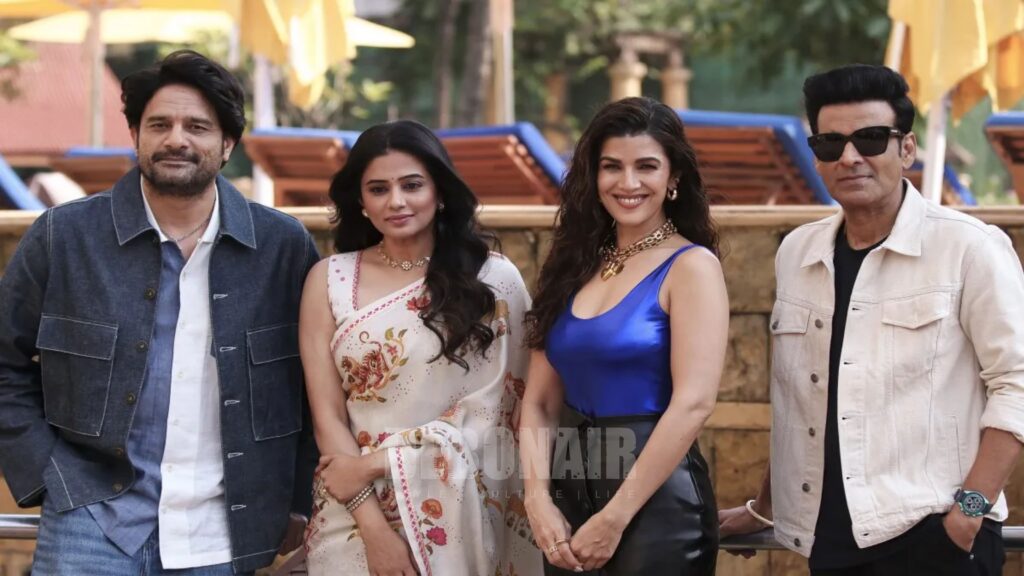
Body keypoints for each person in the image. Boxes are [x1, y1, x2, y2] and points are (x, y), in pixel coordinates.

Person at [0, 50, 318, 575]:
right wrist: (48, 475)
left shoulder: (282, 248)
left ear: (227, 144)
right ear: (135, 136)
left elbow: (315, 389)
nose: (176, 139)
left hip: (222, 533)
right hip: (91, 522)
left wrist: (298, 499)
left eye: (197, 127)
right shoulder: (64, 237)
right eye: (159, 124)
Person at [719, 64, 1024, 575]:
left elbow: (1016, 382)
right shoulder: (798, 253)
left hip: (935, 537)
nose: (850, 157)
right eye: (830, 144)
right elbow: (806, 399)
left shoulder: (969, 247)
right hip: (831, 540)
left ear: (906, 149)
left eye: (871, 139)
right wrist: (766, 508)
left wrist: (969, 514)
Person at [299, 119, 542, 576]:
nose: (396, 201)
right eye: (378, 189)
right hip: (354, 510)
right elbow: (327, 417)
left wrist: (381, 463)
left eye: (412, 185)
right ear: (360, 202)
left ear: (440, 192)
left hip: (462, 507)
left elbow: (508, 407)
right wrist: (374, 530)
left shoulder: (493, 280)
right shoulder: (330, 280)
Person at [519, 96, 727, 575]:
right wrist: (537, 498)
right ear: (593, 177)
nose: (628, 183)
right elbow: (540, 402)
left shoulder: (691, 266)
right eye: (612, 166)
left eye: (646, 167)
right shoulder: (572, 265)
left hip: (655, 506)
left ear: (674, 178)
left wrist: (615, 517)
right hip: (568, 492)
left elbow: (694, 403)